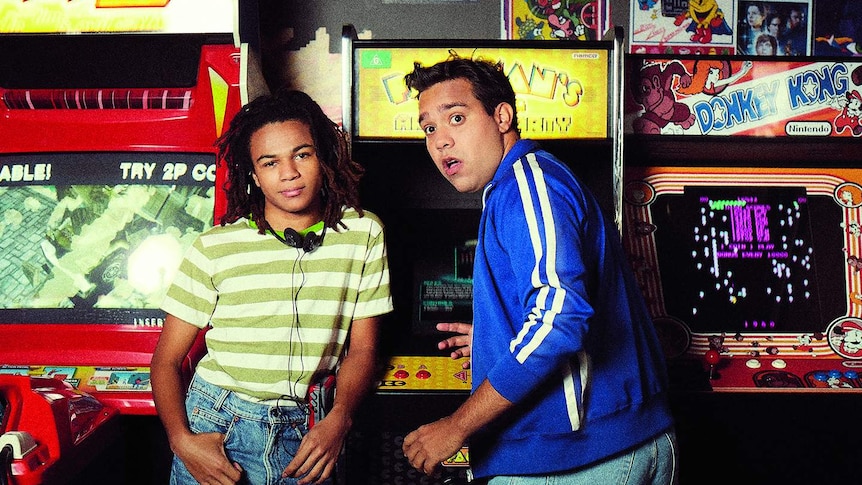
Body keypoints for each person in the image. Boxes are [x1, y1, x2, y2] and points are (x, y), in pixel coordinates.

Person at [401, 57, 676, 483]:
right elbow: (566, 308)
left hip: (582, 458)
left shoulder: (529, 184)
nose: (440, 141)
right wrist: (497, 338)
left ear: (502, 116)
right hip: (600, 449)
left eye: (456, 117)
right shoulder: (520, 184)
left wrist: (455, 427)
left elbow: (561, 319)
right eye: (429, 128)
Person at [150, 89, 393, 485]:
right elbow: (165, 361)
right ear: (254, 174)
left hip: (309, 431)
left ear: (324, 157)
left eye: (302, 154)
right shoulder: (215, 246)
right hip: (217, 424)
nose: (289, 173)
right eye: (270, 162)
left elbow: (363, 348)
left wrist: (340, 419)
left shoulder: (363, 233)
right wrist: (181, 440)